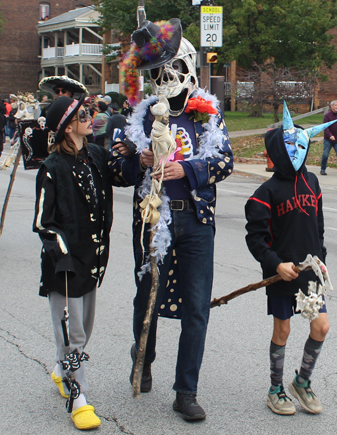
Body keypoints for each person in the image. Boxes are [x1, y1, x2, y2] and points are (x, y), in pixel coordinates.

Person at [110, 19, 233, 421]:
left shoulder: (208, 114)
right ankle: (142, 356)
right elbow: (118, 166)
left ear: (187, 67)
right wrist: (138, 161)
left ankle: (186, 391)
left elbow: (225, 161)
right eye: (157, 73)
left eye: (171, 70)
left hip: (195, 221)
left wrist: (190, 170)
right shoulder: (141, 115)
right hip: (152, 218)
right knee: (146, 294)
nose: (164, 79)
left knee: (197, 306)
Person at [33, 95, 131, 430]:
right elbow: (42, 223)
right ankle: (79, 397)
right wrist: (61, 255)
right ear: (67, 125)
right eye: (83, 114)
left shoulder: (97, 155)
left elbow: (122, 176)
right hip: (65, 266)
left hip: (93, 261)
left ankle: (61, 370)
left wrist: (139, 155)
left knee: (83, 330)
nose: (91, 117)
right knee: (73, 334)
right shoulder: (52, 168)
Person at [245, 102, 335, 416]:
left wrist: (321, 259)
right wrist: (274, 264)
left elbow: (318, 227)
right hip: (282, 273)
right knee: (282, 330)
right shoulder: (264, 194)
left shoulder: (312, 182)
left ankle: (303, 381)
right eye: (289, 146)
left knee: (321, 327)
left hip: (311, 273)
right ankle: (275, 389)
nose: (296, 151)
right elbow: (255, 238)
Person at [320, 100, 337, 176]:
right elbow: (325, 127)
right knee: (325, 155)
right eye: (335, 105)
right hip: (328, 139)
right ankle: (322, 169)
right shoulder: (327, 116)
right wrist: (330, 135)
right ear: (331, 106)